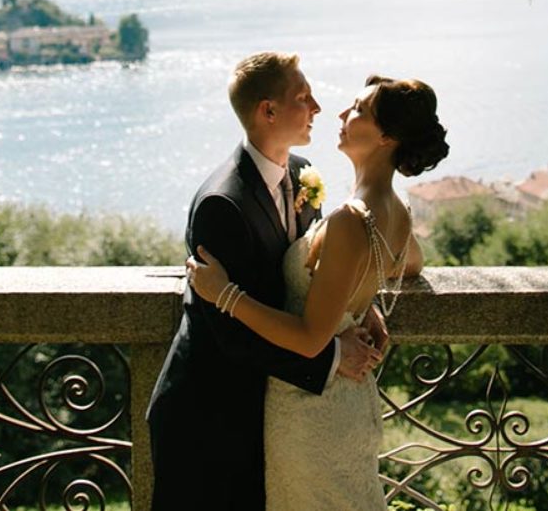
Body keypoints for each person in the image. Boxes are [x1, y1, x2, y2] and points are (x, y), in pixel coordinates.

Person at [186, 74, 450, 511]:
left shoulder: (350, 219)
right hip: (348, 401)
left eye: (359, 110)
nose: (342, 114)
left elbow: (310, 338)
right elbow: (411, 262)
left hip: (314, 414)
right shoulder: (397, 209)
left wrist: (225, 294)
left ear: (385, 137)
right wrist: (357, 303)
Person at [146, 52, 384, 511]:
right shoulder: (221, 204)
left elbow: (312, 267)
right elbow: (231, 335)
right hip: (209, 419)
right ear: (267, 111)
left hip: (269, 415)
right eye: (303, 97)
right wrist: (334, 355)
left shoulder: (301, 173)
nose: (316, 107)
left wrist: (356, 301)